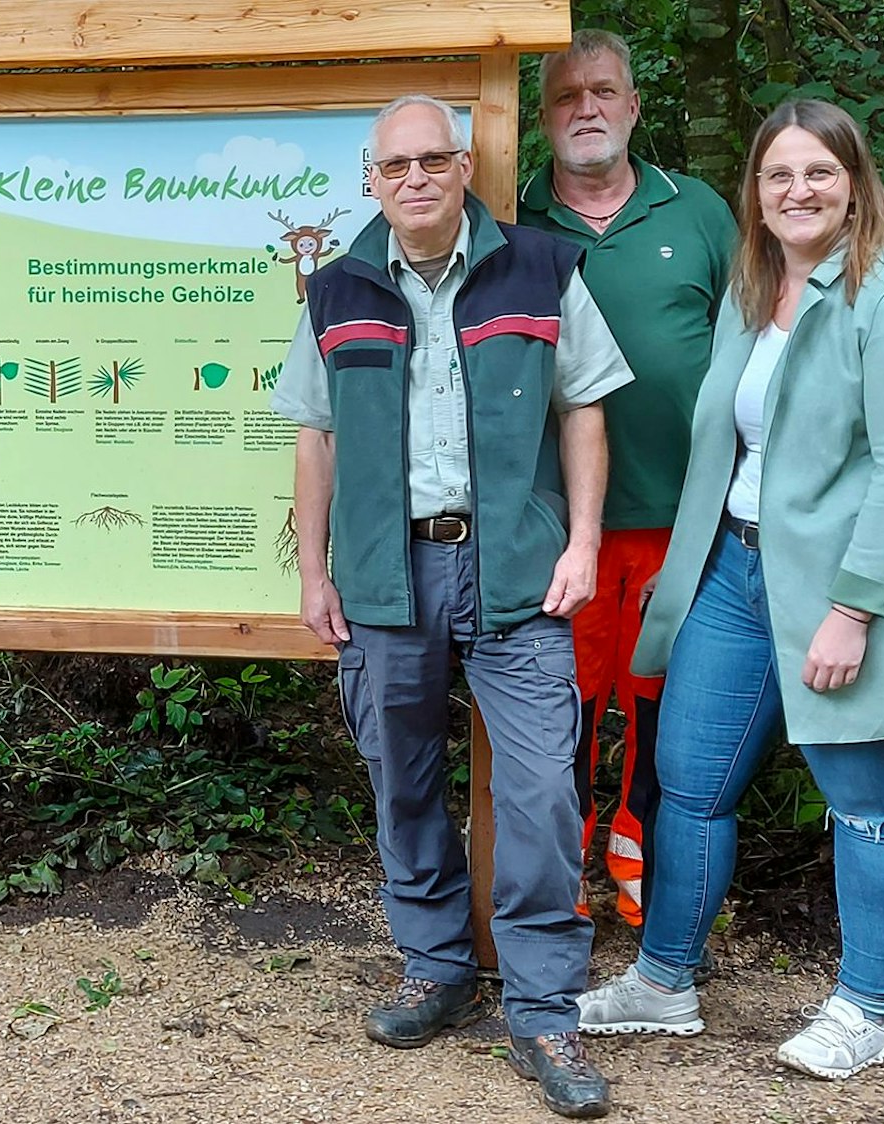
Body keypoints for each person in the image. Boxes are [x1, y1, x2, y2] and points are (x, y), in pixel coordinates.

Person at [576, 99, 884, 1080]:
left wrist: (850, 609)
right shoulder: (754, 288)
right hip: (732, 570)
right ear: (753, 194)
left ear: (852, 184)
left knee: (869, 800)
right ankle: (663, 979)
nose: (796, 192)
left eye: (817, 173)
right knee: (689, 780)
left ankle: (864, 1008)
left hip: (846, 589)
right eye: (776, 175)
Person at [272, 94, 633, 1119]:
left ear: (465, 165)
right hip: (388, 576)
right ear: (370, 179)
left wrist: (584, 542)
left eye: (435, 159)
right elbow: (314, 435)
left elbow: (585, 410)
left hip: (518, 570)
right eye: (398, 165)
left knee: (539, 795)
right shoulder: (335, 290)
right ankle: (433, 966)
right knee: (402, 777)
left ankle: (541, 1008)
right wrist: (314, 571)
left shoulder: (540, 269)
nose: (417, 178)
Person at [517, 29, 737, 928]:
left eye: (602, 91)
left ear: (633, 104)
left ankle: (638, 862)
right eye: (566, 97)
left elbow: (756, 343)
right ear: (542, 118)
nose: (586, 109)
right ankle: (558, 873)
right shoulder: (510, 214)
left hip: (679, 512)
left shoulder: (697, 213)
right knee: (559, 702)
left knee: (659, 703)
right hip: (550, 519)